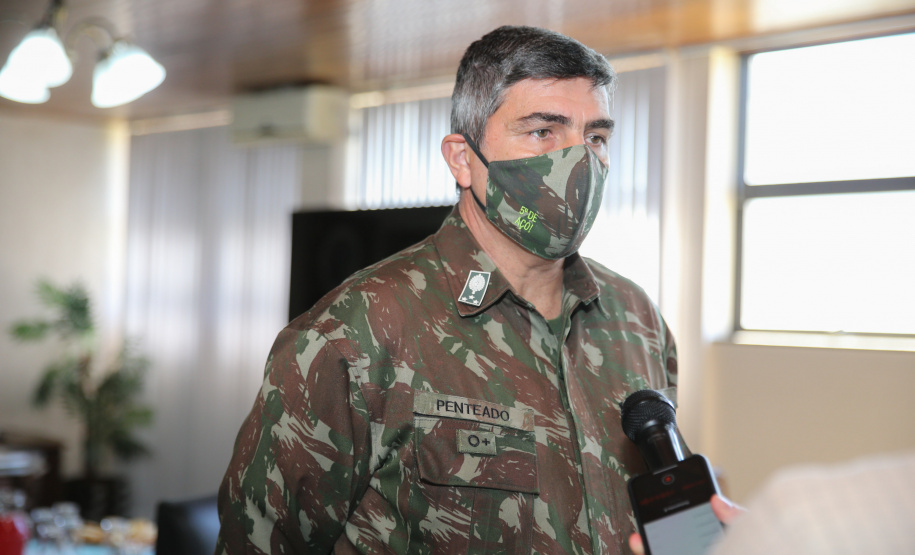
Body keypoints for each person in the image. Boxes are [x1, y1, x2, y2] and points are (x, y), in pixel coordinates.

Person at [216, 25, 678, 554]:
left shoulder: (636, 319)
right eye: (542, 132)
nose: (580, 164)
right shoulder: (357, 330)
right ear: (462, 158)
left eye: (595, 138)